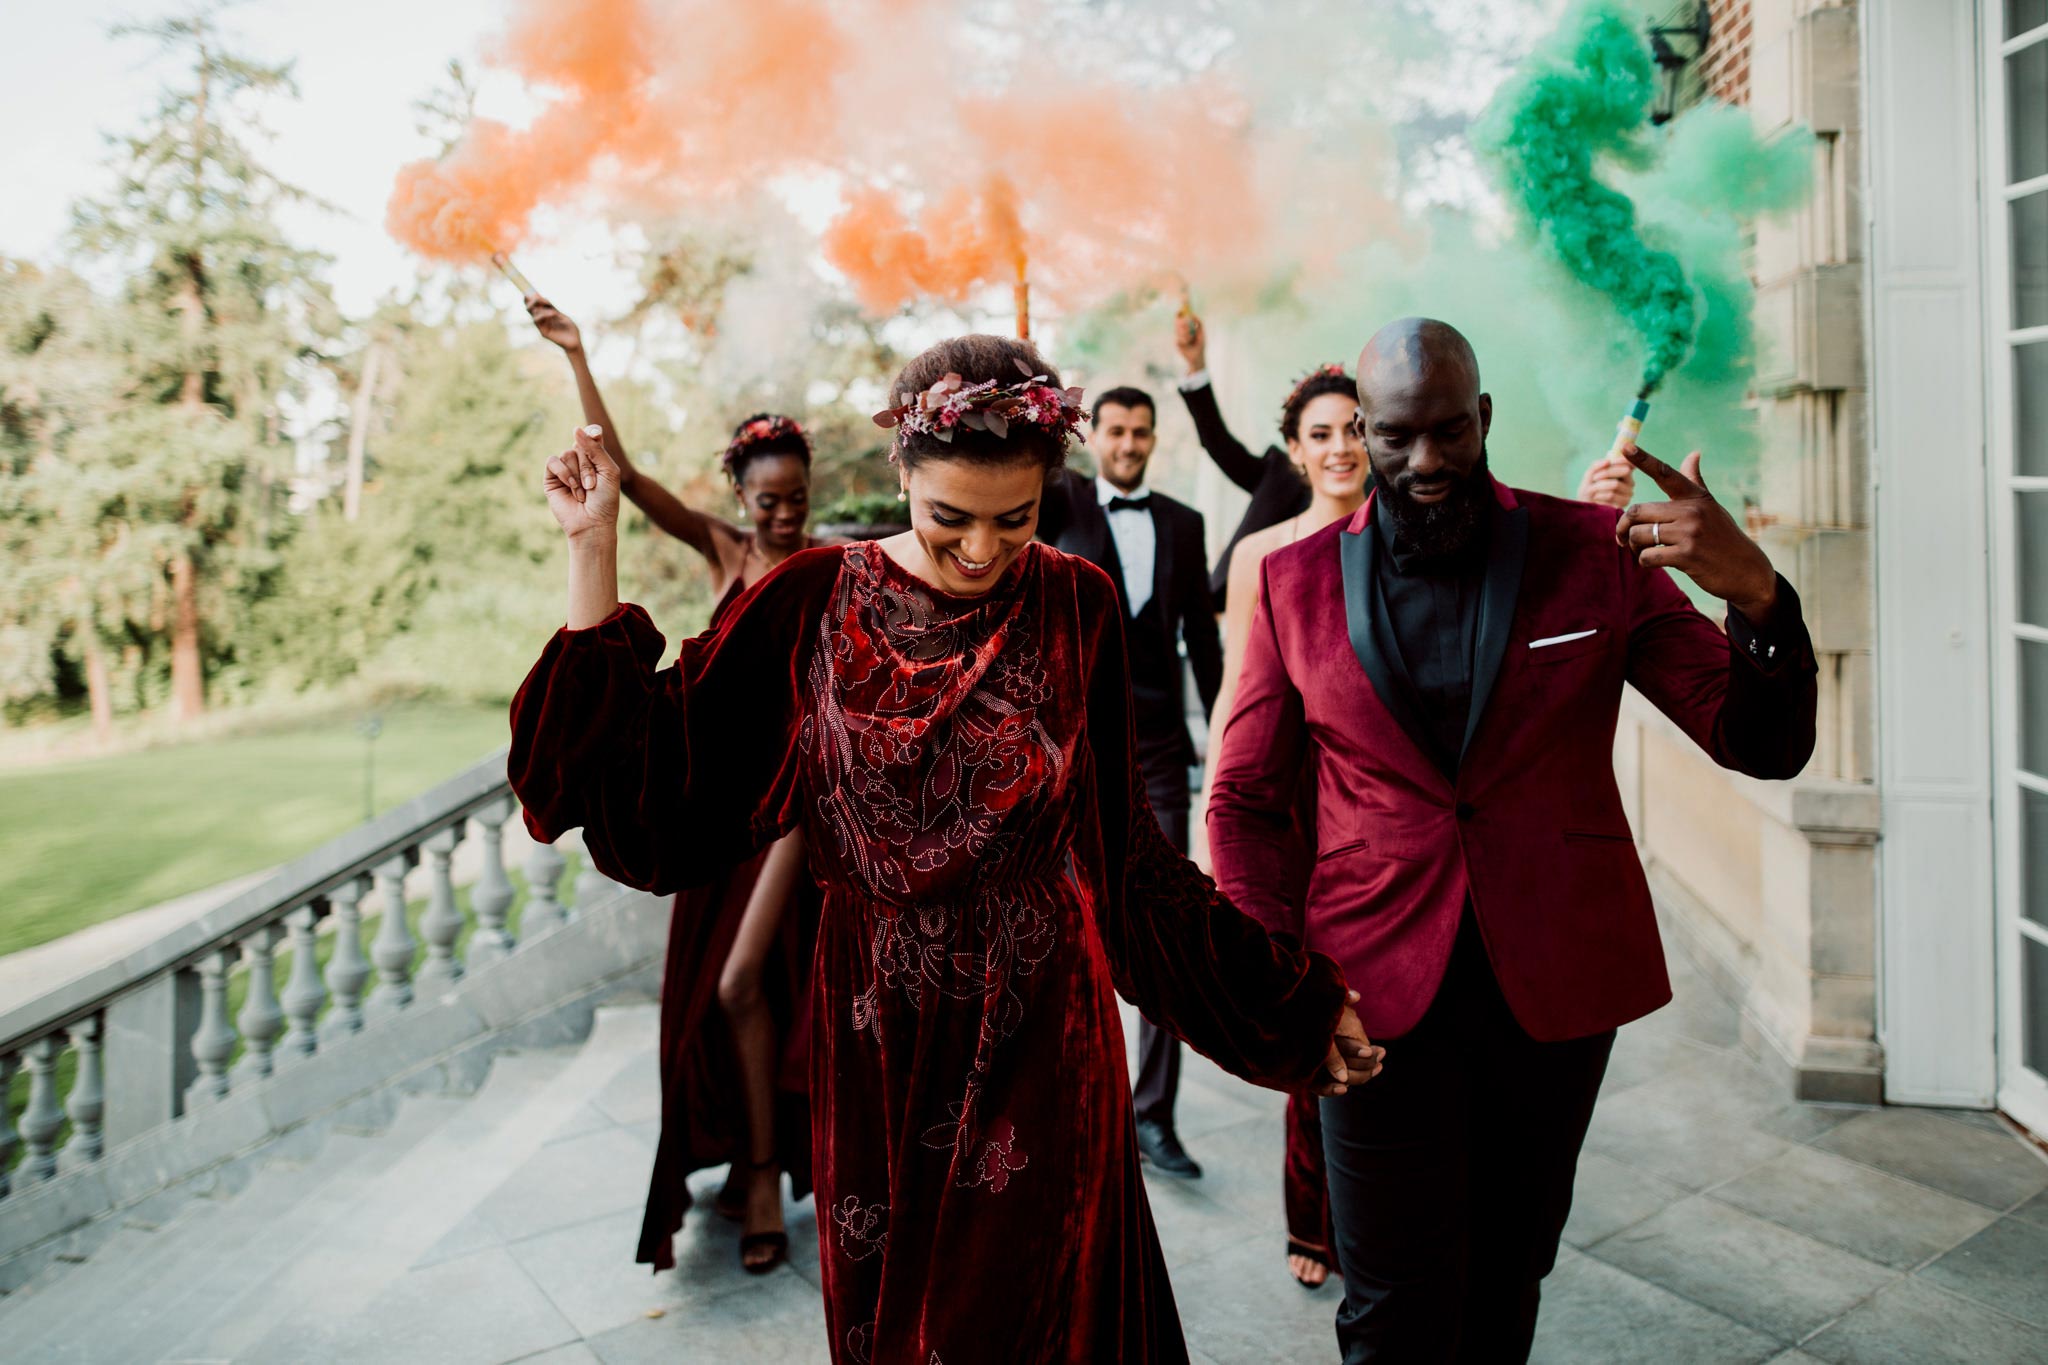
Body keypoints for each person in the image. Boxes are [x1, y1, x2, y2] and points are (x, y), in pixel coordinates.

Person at [510, 333, 1382, 1364]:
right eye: (948, 518)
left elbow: (1126, 865)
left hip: (1045, 1039)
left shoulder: (1076, 603)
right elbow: (643, 795)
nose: (980, 551)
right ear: (901, 475)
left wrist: (1280, 1000)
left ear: (1048, 492)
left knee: (1043, 1323)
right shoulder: (807, 602)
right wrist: (590, 547)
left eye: (1013, 520)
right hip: (879, 1043)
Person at [1206, 317, 1818, 1363]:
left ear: (1482, 417)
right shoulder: (1288, 581)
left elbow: (1752, 740)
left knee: (1507, 1268)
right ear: (1363, 428)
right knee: (1391, 1300)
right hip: (1367, 990)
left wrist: (1754, 594)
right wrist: (1283, 983)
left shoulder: (1591, 554)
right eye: (1396, 437)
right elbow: (1245, 803)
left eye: (1449, 431)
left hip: (1556, 987)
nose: (1426, 462)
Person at [524, 293, 822, 1274]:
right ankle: (745, 1164)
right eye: (767, 498)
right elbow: (623, 470)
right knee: (708, 998)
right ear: (741, 497)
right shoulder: (725, 553)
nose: (782, 512)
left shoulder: (829, 567)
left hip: (793, 814)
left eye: (795, 497)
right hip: (715, 810)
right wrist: (577, 352)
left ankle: (771, 1179)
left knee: (747, 984)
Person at [1198, 362, 1370, 1290]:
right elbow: (1239, 693)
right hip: (1285, 798)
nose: (1340, 446)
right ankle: (1312, 1214)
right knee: (1305, 988)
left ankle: (1381, 1204)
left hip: (1374, 795)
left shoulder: (1405, 534)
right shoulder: (1264, 552)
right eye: (1321, 432)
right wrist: (1215, 813)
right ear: (1297, 451)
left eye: (1354, 428)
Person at [1036, 385, 1224, 1180]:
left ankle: (1155, 1115)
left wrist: (1230, 740)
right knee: (1065, 921)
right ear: (1097, 436)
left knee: (1164, 923)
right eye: (1115, 430)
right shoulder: (1060, 501)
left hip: (1158, 750)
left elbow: (1203, 647)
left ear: (1152, 438)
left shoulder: (1185, 523)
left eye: (1141, 432)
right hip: (1074, 740)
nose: (1129, 443)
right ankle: (1071, 1107)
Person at [1171, 307, 1312, 609]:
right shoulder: (1281, 477)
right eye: (1320, 434)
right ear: (1296, 443)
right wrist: (1196, 365)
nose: (1337, 448)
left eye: (1348, 432)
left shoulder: (1376, 497)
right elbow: (1219, 445)